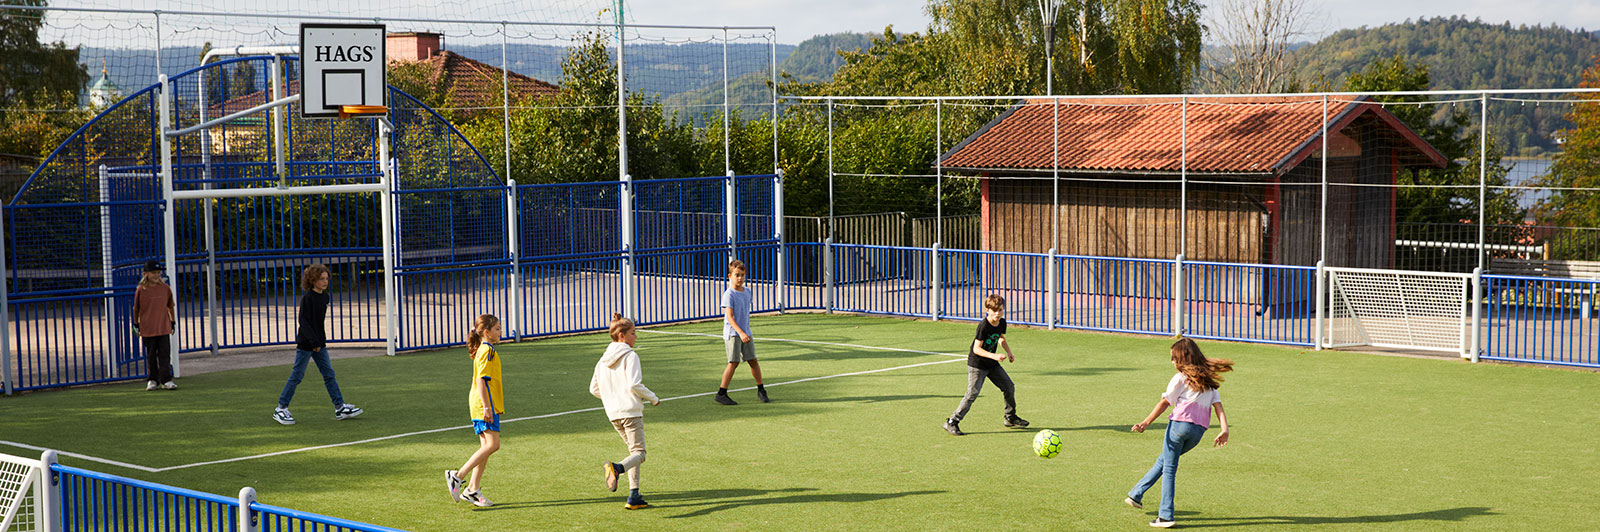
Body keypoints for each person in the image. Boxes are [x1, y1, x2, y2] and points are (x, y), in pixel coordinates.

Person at [1124, 337, 1233, 528]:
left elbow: (1165, 402)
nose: (1172, 362)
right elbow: (1218, 407)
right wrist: (1224, 429)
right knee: (1165, 460)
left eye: (1174, 358)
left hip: (1178, 427)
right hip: (1197, 433)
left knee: (1169, 469)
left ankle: (1165, 516)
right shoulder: (1208, 381)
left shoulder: (1180, 378)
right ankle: (1136, 494)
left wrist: (1146, 422)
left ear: (1183, 359)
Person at [273, 264, 362, 425]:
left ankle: (340, 407)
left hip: (319, 344)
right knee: (297, 376)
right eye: (321, 279)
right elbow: (304, 322)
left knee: (329, 374)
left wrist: (320, 342)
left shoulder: (324, 297)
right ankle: (281, 408)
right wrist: (313, 342)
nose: (325, 281)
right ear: (312, 280)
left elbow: (318, 323)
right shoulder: (308, 298)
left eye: (327, 278)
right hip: (306, 344)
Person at [591, 313, 660, 510]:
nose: (635, 337)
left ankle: (634, 495)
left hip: (613, 414)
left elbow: (594, 389)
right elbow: (634, 384)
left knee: (632, 453)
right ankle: (616, 468)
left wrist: (612, 398)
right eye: (633, 333)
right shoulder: (631, 355)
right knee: (640, 453)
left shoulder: (602, 360)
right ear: (621, 335)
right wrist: (653, 398)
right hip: (630, 411)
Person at [942, 294, 1028, 436]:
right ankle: (952, 422)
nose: (997, 313)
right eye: (994, 310)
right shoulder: (983, 326)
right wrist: (994, 355)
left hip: (992, 365)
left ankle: (1010, 417)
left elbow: (1000, 338)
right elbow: (977, 349)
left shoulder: (1001, 322)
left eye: (1000, 310)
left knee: (1009, 387)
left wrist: (1009, 352)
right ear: (987, 310)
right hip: (978, 365)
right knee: (972, 394)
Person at [446, 314, 504, 508]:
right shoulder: (488, 351)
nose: (500, 332)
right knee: (493, 445)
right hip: (483, 405)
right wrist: (487, 406)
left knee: (485, 448)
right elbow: (482, 380)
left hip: (481, 403)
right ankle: (458, 476)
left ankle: (472, 489)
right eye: (497, 328)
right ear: (486, 332)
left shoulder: (485, 349)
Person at [714, 259, 768, 405]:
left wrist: (746, 332)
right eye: (737, 275)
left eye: (742, 275)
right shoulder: (729, 294)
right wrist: (741, 333)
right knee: (733, 362)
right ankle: (721, 393)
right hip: (733, 333)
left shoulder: (747, 292)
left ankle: (761, 390)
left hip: (746, 332)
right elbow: (730, 318)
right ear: (729, 276)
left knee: (753, 360)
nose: (740, 278)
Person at [133, 260, 176, 391]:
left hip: (163, 327)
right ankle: (152, 380)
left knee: (164, 354)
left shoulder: (165, 288)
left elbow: (170, 306)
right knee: (151, 355)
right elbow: (136, 308)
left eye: (158, 272)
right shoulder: (141, 289)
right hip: (148, 328)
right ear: (146, 274)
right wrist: (136, 324)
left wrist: (172, 322)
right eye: (154, 273)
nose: (157, 275)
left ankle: (166, 379)